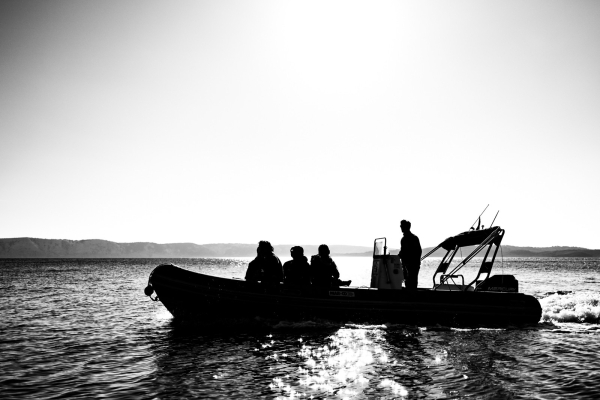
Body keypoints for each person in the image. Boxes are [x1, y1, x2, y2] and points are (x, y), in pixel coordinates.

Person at [399, 220, 422, 290]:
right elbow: (402, 252)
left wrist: (413, 262)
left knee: (412, 282)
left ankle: (412, 296)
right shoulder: (404, 239)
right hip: (406, 264)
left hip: (412, 265)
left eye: (402, 226)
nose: (401, 228)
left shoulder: (413, 238)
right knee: (408, 282)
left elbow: (418, 251)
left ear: (407, 227)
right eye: (401, 226)